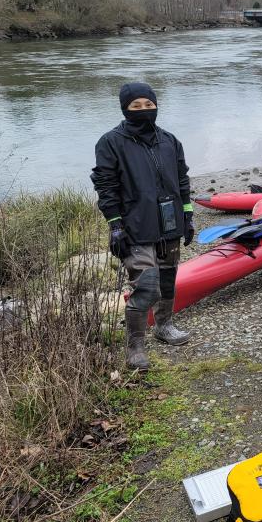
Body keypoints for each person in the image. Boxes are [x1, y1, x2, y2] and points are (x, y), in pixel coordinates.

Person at [91, 82, 195, 371]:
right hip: (135, 226)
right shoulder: (111, 142)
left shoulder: (170, 141)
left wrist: (187, 216)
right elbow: (105, 185)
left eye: (148, 105)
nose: (144, 111)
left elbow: (182, 180)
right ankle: (135, 346)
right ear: (125, 109)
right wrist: (115, 226)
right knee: (146, 287)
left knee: (167, 280)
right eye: (136, 106)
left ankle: (165, 326)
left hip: (170, 222)